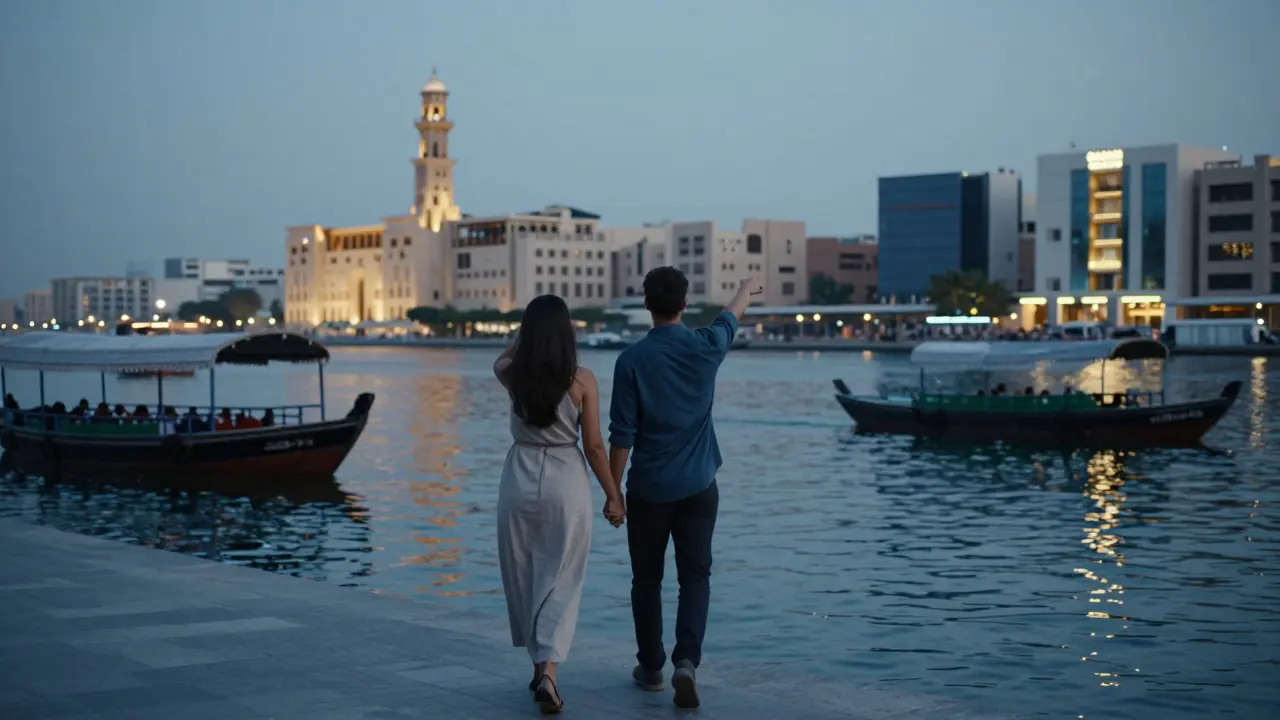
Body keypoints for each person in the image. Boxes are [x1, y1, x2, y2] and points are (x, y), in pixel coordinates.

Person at [608, 267, 762, 710]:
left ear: (646, 304)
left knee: (647, 579)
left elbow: (623, 435)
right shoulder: (706, 348)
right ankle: (687, 663)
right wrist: (743, 290)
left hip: (649, 490)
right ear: (684, 303)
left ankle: (652, 668)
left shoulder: (630, 362)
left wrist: (613, 493)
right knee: (695, 577)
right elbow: (730, 317)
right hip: (699, 488)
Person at [493, 294, 623, 715]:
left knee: (524, 573)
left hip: (518, 478)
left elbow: (503, 356)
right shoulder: (582, 379)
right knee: (562, 577)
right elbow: (596, 446)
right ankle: (548, 671)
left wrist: (522, 336)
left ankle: (538, 665)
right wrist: (613, 495)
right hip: (566, 480)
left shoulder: (512, 373)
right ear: (568, 332)